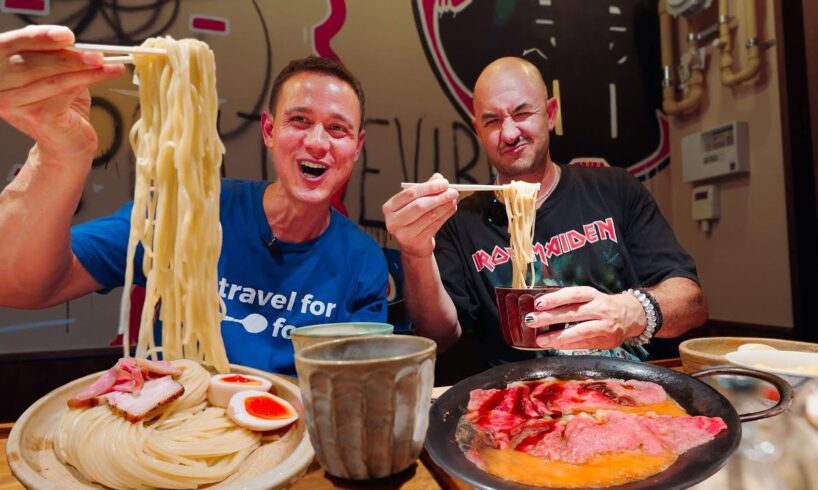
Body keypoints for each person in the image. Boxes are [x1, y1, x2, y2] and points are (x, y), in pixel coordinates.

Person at [0, 25, 387, 375]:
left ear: (356, 147)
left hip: (293, 441)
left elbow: (358, 387)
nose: (317, 143)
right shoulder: (184, 210)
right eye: (299, 121)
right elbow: (22, 285)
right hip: (170, 425)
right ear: (269, 130)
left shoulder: (363, 260)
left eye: (337, 129)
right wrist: (58, 154)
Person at [383, 57, 706, 368]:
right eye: (492, 120)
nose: (509, 134)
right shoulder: (460, 222)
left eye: (522, 113)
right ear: (477, 130)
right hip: (519, 399)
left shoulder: (615, 190)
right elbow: (439, 336)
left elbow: (691, 301)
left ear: (550, 113)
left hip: (629, 388)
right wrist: (415, 252)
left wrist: (629, 312)